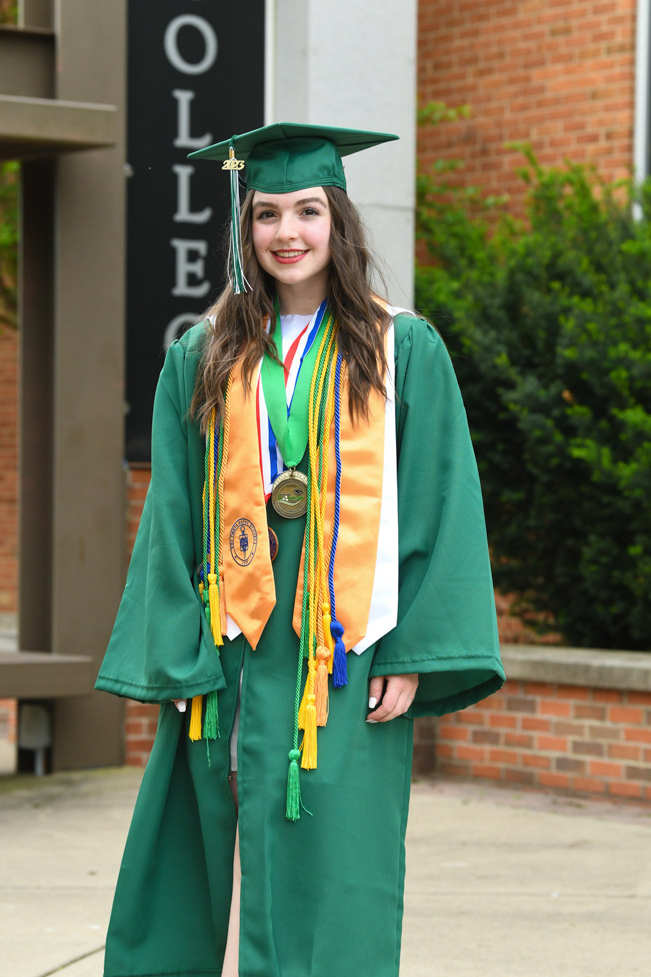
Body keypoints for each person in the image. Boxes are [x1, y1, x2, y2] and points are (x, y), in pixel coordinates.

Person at [95, 123, 505, 977]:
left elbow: (441, 495)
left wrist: (414, 648)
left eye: (308, 211)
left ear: (339, 221)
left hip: (345, 651)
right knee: (189, 850)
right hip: (231, 640)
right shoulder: (204, 356)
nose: (288, 232)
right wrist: (176, 650)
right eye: (268, 212)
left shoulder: (401, 349)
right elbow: (171, 506)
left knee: (341, 856)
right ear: (244, 229)